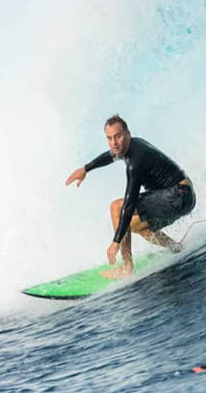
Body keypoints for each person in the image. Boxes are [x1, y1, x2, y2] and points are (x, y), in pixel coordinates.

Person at [65, 114, 196, 279]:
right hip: (184, 196)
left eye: (118, 136)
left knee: (116, 207)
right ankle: (176, 247)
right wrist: (85, 169)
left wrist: (115, 242)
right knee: (134, 226)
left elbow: (129, 203)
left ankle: (127, 268)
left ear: (127, 134)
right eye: (109, 138)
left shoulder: (136, 162)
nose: (114, 142)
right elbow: (111, 155)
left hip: (178, 195)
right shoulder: (132, 145)